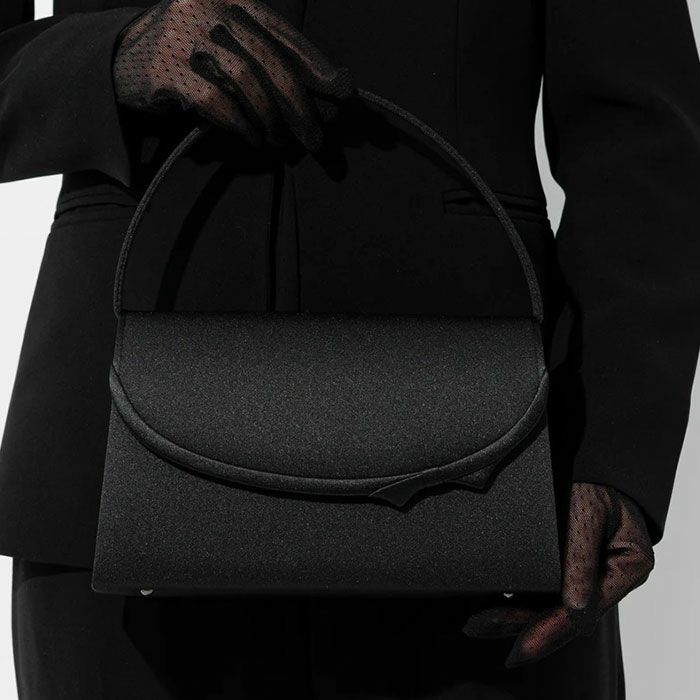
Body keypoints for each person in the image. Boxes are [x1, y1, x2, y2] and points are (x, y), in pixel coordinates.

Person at [1, 1, 699, 698]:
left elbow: (642, 140)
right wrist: (106, 55)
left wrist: (615, 447)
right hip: (114, 472)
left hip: (493, 474)